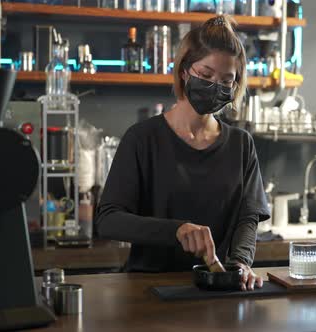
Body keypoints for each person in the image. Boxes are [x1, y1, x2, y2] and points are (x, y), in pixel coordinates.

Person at [95, 15, 270, 291]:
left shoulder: (241, 145)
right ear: (184, 71)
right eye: (206, 75)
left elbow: (247, 220)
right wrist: (176, 230)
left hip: (215, 288)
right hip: (148, 292)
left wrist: (240, 265)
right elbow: (108, 220)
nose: (215, 86)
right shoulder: (142, 139)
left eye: (227, 81)